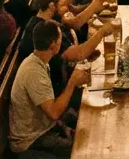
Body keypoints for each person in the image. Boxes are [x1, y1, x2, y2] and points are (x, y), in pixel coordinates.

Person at [8, 20, 92, 158]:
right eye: (60, 38)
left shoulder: (40, 61)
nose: (62, 41)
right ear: (53, 45)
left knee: (83, 130)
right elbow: (53, 112)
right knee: (83, 151)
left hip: (41, 129)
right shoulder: (34, 72)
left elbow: (47, 110)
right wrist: (72, 83)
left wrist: (63, 126)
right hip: (29, 142)